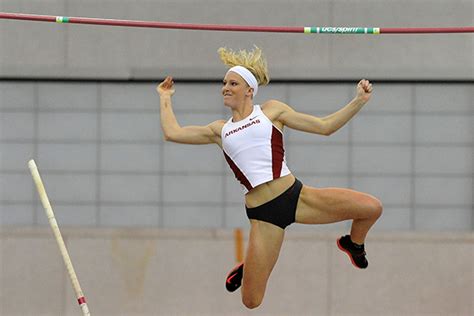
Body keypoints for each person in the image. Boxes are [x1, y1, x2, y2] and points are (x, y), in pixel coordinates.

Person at [156, 46, 382, 309]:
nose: (225, 88)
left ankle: (353, 244)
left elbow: (325, 127)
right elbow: (172, 132)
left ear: (249, 90)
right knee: (251, 301)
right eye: (224, 83)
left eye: (232, 83)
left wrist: (358, 101)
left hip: (296, 197)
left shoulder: (272, 112)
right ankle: (251, 266)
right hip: (264, 216)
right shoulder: (220, 130)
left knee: (371, 208)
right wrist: (165, 96)